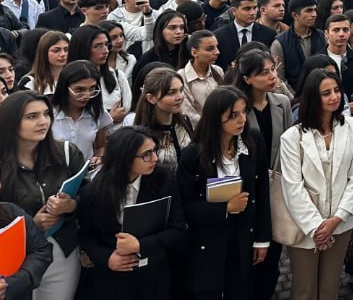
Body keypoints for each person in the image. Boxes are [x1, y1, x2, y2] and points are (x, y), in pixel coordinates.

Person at [280, 69, 353, 300]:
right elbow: (292, 187)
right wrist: (317, 227)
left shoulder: (350, 127)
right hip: (305, 225)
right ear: (312, 97)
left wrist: (337, 219)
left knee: (330, 288)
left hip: (342, 222)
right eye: (326, 93)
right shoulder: (292, 136)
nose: (334, 97)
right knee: (305, 289)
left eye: (337, 90)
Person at [177, 86, 271, 300]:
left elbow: (262, 191)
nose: (242, 120)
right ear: (215, 118)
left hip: (243, 236)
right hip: (208, 241)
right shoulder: (193, 155)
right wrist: (224, 209)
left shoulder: (253, 141)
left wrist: (262, 239)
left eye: (244, 112)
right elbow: (187, 205)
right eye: (233, 115)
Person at [77, 127, 188, 300]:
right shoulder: (93, 191)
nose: (155, 158)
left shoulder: (164, 180)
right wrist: (107, 258)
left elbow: (178, 229)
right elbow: (87, 236)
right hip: (112, 278)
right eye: (147, 154)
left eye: (154, 151)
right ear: (125, 158)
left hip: (154, 273)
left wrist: (141, 245)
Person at [0, 91, 86, 300]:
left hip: (61, 249)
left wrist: (71, 205)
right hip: (15, 256)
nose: (43, 122)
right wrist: (31, 225)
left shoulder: (67, 153)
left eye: (46, 114)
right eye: (32, 117)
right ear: (11, 121)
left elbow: (91, 196)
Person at [233, 48, 294, 300]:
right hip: (245, 191)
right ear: (247, 79)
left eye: (273, 70)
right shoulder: (237, 109)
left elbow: (291, 145)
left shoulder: (282, 102)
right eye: (263, 73)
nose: (271, 77)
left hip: (276, 189)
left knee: (272, 256)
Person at [126, 67, 194, 172]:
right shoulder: (140, 134)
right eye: (171, 92)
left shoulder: (184, 121)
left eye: (181, 90)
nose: (179, 97)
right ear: (151, 98)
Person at [49, 60, 112, 164]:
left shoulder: (97, 112)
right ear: (65, 88)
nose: (87, 95)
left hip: (86, 172)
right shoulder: (49, 113)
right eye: (79, 90)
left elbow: (101, 146)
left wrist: (99, 156)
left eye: (92, 88)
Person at [176, 30, 224, 124]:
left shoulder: (218, 70)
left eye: (216, 47)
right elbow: (188, 112)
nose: (217, 52)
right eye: (210, 49)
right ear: (194, 52)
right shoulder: (182, 76)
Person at [17, 31, 68, 95]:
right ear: (44, 52)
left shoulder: (72, 78)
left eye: (66, 49)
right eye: (56, 50)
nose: (63, 54)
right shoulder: (29, 81)